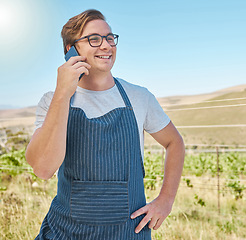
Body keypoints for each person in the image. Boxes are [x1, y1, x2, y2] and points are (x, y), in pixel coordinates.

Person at [25, 9, 185, 240]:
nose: (106, 45)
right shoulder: (53, 101)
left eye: (110, 38)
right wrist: (63, 93)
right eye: (94, 39)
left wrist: (166, 200)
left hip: (128, 233)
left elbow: (174, 142)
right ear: (71, 50)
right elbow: (43, 168)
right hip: (66, 233)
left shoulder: (138, 97)